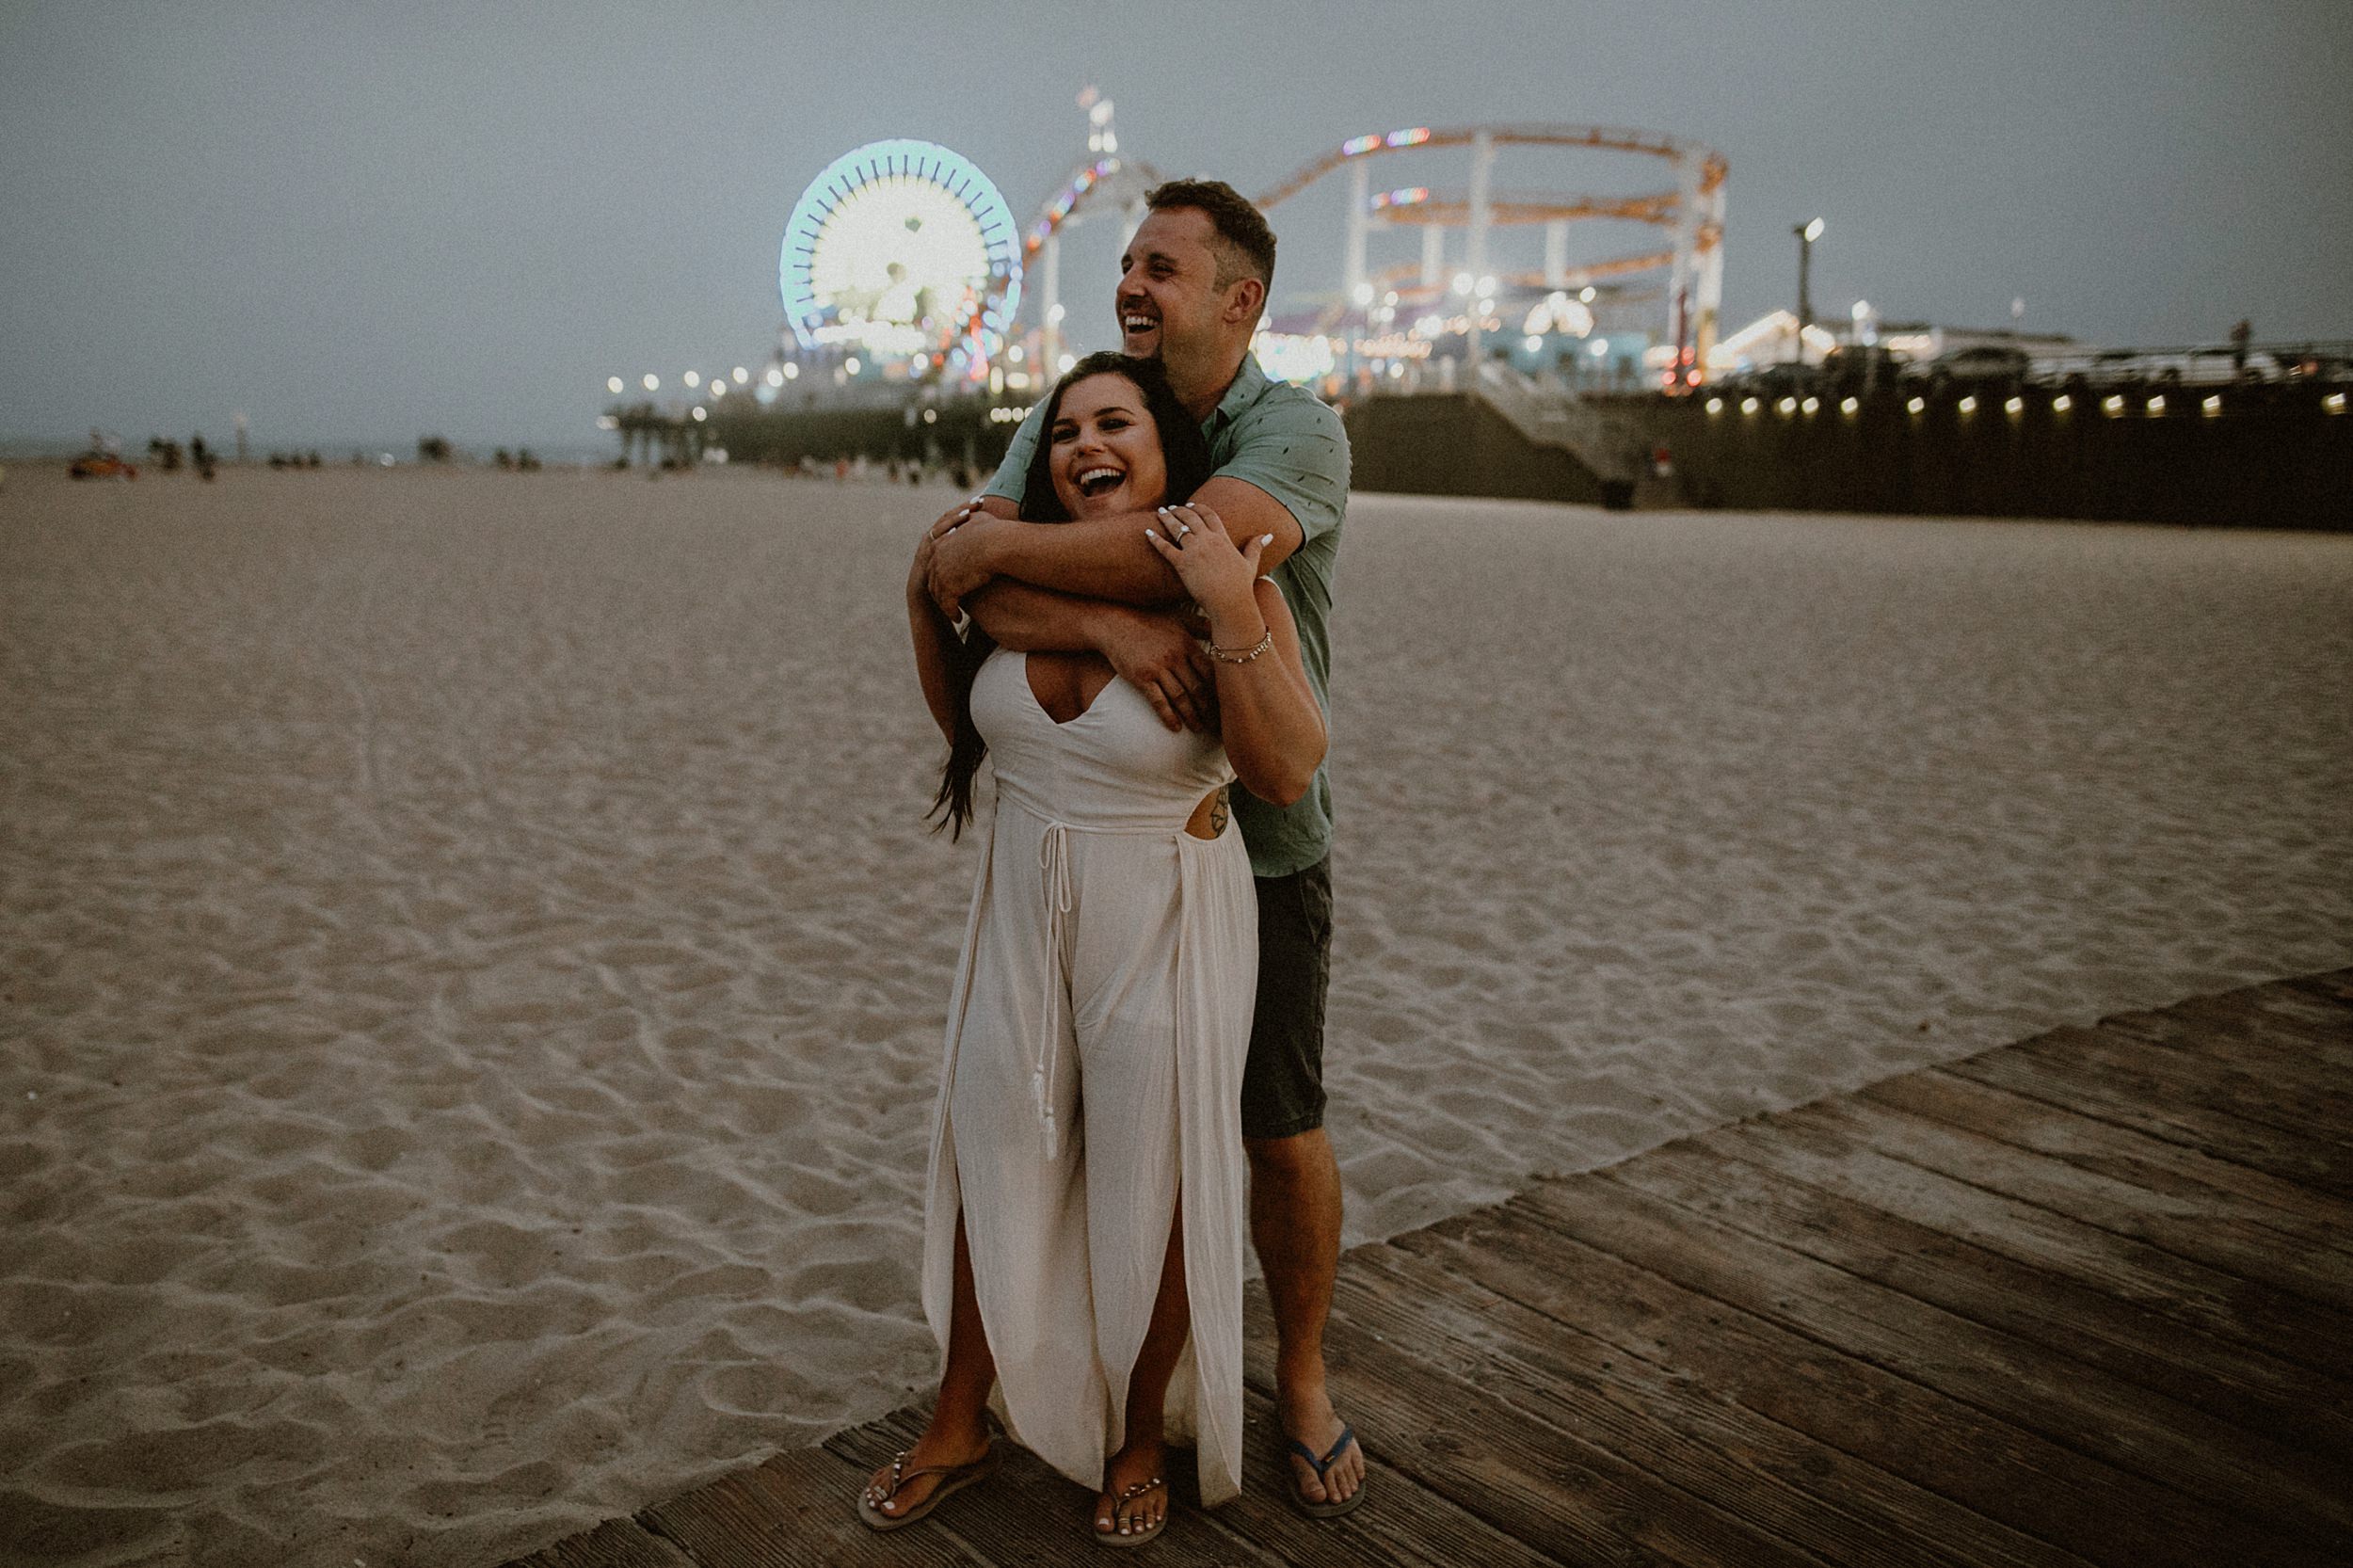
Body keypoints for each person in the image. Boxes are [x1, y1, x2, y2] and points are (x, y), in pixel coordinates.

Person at [916, 177, 1364, 1519]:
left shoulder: (1297, 431)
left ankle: (1301, 1375)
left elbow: (1180, 552)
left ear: (1240, 299)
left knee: (1275, 1129)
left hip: (1258, 839)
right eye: (1128, 261)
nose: (1133, 283)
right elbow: (959, 566)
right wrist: (1107, 623)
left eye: (1162, 266)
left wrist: (1016, 554)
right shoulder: (1092, 401)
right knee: (1051, 1128)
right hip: (1078, 840)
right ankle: (1029, 1398)